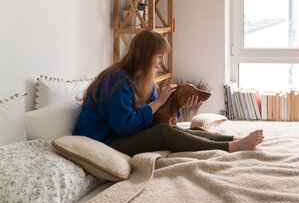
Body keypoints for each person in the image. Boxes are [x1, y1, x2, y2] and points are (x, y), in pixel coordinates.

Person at [73, 29, 264, 156]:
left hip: (119, 136)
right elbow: (124, 125)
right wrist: (158, 102)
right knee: (164, 132)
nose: (162, 62)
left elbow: (159, 116)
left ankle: (231, 139)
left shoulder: (141, 79)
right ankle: (232, 147)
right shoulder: (116, 80)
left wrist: (178, 106)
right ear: (146, 55)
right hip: (106, 142)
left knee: (173, 129)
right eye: (159, 56)